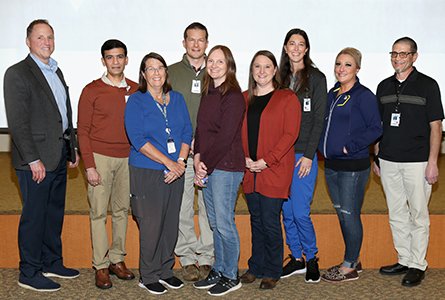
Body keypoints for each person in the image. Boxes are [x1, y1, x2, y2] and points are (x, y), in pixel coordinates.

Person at [4, 19, 80, 292]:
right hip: (34, 160)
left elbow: (63, 114)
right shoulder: (17, 73)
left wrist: (72, 148)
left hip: (58, 154)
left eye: (50, 37)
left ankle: (51, 261)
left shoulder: (55, 70)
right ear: (28, 41)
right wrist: (33, 159)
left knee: (53, 213)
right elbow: (18, 122)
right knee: (34, 216)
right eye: (40, 37)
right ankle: (29, 271)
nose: (46, 42)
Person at [375, 37, 444, 287]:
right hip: (388, 161)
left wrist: (433, 162)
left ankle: (418, 264)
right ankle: (404, 258)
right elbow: (379, 126)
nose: (397, 58)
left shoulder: (428, 85)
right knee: (396, 213)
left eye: (403, 54)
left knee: (418, 214)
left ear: (414, 56)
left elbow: (436, 127)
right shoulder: (383, 86)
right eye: (394, 53)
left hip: (418, 162)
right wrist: (377, 156)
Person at [124, 52, 192, 295]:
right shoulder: (136, 101)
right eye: (150, 69)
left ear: (166, 72)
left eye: (160, 68)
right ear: (143, 74)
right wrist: (169, 163)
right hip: (148, 171)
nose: (156, 73)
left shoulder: (178, 98)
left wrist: (181, 162)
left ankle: (165, 271)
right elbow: (138, 140)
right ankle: (149, 274)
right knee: (152, 225)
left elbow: (186, 132)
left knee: (170, 224)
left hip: (177, 171)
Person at [77, 39, 137, 289]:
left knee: (122, 211)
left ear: (126, 59)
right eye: (110, 57)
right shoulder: (91, 90)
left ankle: (116, 259)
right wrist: (89, 165)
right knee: (99, 213)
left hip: (128, 158)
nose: (115, 61)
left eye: (119, 57)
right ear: (103, 61)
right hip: (99, 158)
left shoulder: (136, 89)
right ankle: (100, 266)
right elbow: (83, 130)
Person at [319, 48, 382, 283]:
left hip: (353, 167)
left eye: (347, 64)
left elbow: (376, 127)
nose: (341, 69)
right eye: (338, 64)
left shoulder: (363, 95)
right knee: (342, 213)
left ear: (357, 68)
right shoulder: (332, 93)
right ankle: (353, 259)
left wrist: (350, 147)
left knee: (350, 214)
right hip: (332, 166)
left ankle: (349, 265)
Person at [239, 50, 301, 290]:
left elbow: (290, 135)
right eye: (257, 67)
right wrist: (243, 158)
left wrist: (267, 160)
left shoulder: (287, 98)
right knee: (256, 221)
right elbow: (236, 132)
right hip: (248, 170)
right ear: (252, 71)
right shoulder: (244, 98)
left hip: (273, 169)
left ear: (275, 70)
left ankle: (273, 270)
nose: (262, 71)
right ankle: (256, 266)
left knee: (270, 221)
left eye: (267, 67)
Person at [192, 45, 245, 297]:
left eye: (219, 62)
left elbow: (225, 137)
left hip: (226, 167)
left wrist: (205, 165)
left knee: (224, 223)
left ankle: (231, 275)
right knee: (214, 223)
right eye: (210, 61)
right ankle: (220, 269)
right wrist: (198, 158)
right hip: (209, 166)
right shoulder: (208, 91)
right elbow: (201, 129)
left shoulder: (233, 96)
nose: (213, 65)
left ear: (229, 65)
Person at [278, 28, 327, 283]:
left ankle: (312, 257)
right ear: (285, 48)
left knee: (300, 212)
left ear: (306, 49)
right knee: (286, 212)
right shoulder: (278, 78)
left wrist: (309, 155)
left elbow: (319, 119)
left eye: (301, 44)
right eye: (291, 43)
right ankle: (296, 257)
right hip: (280, 157)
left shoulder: (316, 78)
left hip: (302, 156)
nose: (296, 48)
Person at [169, 22, 214, 281]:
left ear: (207, 43)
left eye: (201, 40)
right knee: (183, 204)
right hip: (181, 152)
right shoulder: (172, 73)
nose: (196, 44)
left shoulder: (218, 70)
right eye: (191, 40)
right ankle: (186, 256)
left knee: (209, 205)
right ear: (184, 42)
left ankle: (207, 255)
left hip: (210, 153)